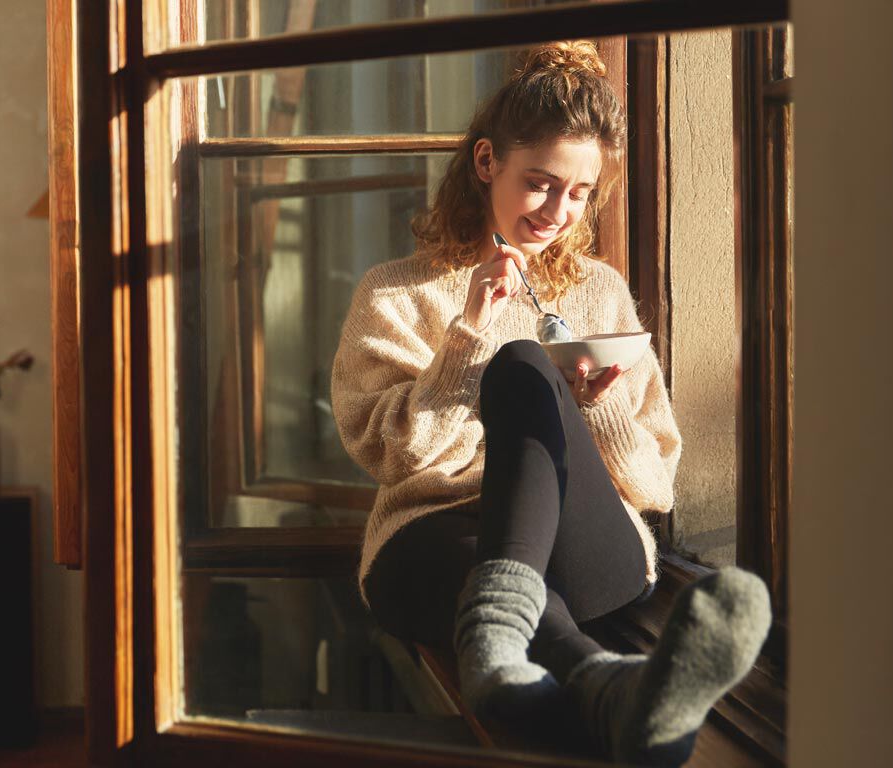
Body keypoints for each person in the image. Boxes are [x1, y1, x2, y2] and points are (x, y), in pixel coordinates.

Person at [329, 41, 771, 767]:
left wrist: (592, 408)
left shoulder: (599, 290)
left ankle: (505, 645)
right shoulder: (395, 292)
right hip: (435, 540)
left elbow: (654, 485)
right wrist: (470, 337)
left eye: (579, 193)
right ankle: (613, 695)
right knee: (516, 368)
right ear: (485, 163)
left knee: (528, 366)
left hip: (587, 551)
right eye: (540, 184)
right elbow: (394, 458)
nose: (559, 211)